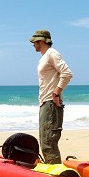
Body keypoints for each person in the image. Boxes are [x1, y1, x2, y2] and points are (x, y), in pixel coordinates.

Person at [29, 30, 73, 164]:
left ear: (41, 41)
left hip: (50, 103)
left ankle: (55, 175)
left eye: (34, 42)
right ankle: (53, 171)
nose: (33, 45)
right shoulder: (44, 57)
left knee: (49, 143)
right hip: (45, 103)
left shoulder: (51, 54)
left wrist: (56, 93)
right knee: (45, 142)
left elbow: (67, 73)